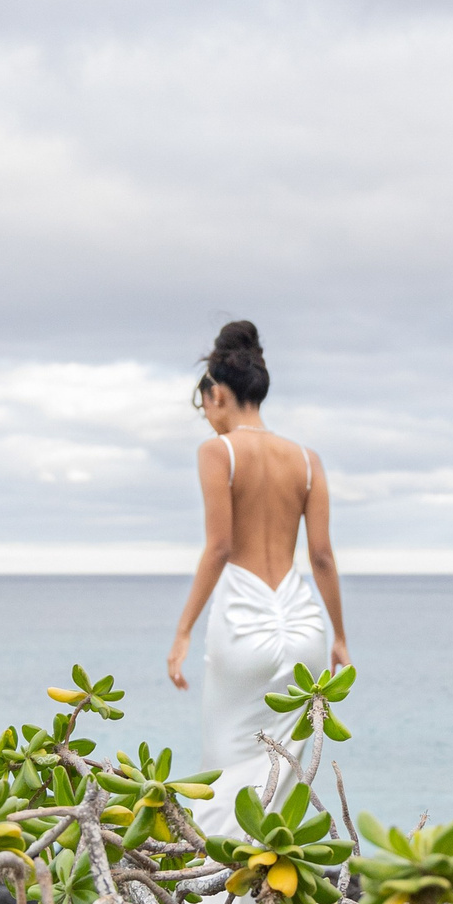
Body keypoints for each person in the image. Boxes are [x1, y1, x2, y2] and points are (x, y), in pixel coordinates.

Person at [167, 321, 350, 812]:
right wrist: (339, 636)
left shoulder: (218, 452)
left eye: (203, 403)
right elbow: (321, 556)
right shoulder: (307, 460)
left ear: (219, 393)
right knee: (284, 777)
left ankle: (222, 884)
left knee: (223, 769)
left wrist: (183, 631)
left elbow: (220, 547)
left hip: (244, 623)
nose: (206, 416)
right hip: (304, 624)